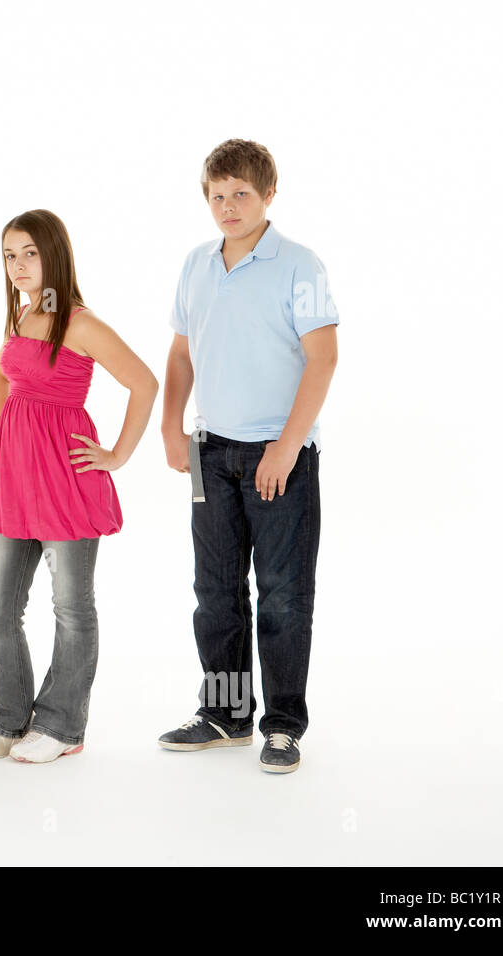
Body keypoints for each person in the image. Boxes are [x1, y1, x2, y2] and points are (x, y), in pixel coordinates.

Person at [157, 139, 339, 774]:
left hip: (279, 457)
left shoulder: (300, 264)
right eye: (217, 195)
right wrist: (170, 428)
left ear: (268, 195)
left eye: (241, 194)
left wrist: (285, 449)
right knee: (216, 594)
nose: (228, 206)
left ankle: (283, 725)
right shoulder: (196, 264)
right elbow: (181, 353)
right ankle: (226, 715)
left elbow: (323, 358)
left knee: (284, 596)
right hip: (212, 452)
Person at [0, 209, 158, 764]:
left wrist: (117, 456)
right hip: (15, 483)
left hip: (68, 483)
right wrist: (7, 434)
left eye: (29, 252)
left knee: (70, 607)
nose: (19, 265)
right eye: (10, 255)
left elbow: (144, 382)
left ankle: (61, 724)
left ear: (55, 255)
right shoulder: (21, 316)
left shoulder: (78, 322)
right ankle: (9, 719)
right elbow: (0, 376)